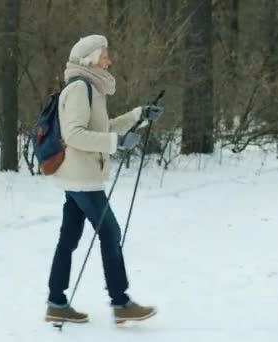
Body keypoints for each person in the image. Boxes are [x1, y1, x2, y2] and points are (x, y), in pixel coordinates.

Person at [45, 34, 164, 324]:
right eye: (104, 56)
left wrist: (140, 115)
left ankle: (56, 302)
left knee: (69, 239)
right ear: (89, 58)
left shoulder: (92, 89)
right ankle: (121, 302)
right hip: (82, 178)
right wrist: (116, 142)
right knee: (110, 232)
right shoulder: (78, 89)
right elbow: (74, 135)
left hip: (81, 176)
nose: (109, 60)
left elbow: (104, 127)